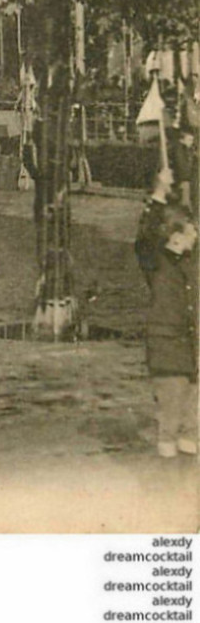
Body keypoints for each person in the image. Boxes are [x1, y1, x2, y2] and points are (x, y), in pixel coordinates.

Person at [134, 165, 198, 460]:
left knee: (193, 394)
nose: (196, 234)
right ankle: (168, 442)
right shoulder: (156, 260)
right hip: (167, 341)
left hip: (192, 340)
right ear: (176, 235)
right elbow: (146, 233)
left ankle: (188, 435)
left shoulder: (191, 260)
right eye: (191, 230)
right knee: (171, 393)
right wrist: (159, 192)